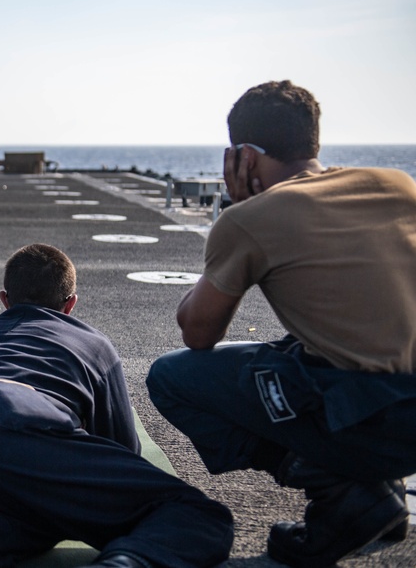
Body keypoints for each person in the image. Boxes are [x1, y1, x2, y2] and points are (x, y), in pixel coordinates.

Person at [146, 80, 416, 567]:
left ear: (243, 156)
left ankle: (343, 491)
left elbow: (197, 332)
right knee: (299, 347)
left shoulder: (253, 217)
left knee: (171, 377)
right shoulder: (397, 184)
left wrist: (234, 215)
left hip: (375, 421)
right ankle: (373, 495)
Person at [0, 243, 234, 568]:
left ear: (4, 301)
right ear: (70, 304)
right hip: (32, 427)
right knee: (193, 513)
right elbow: (121, 447)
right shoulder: (93, 344)